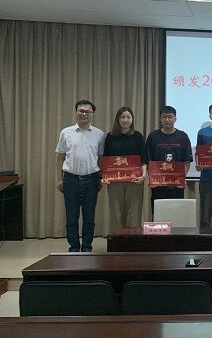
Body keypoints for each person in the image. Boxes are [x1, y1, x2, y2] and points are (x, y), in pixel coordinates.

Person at [55, 100, 104, 252]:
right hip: (70, 180)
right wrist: (59, 178)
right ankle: (74, 248)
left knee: (89, 217)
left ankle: (87, 247)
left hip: (92, 180)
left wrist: (101, 177)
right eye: (81, 111)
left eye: (87, 112)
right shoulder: (66, 132)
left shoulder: (99, 134)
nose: (84, 114)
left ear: (92, 114)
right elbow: (60, 157)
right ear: (76, 112)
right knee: (71, 217)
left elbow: (101, 158)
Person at [102, 107, 147, 232]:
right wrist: (104, 177)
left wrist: (143, 176)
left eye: (128, 117)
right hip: (114, 181)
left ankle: (132, 240)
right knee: (116, 212)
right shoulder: (110, 136)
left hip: (134, 180)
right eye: (122, 117)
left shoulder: (138, 136)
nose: (125, 120)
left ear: (132, 120)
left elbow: (143, 160)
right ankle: (118, 240)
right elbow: (106, 159)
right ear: (118, 119)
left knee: (134, 212)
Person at [145, 105, 192, 215]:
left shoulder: (183, 136)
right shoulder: (153, 136)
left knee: (176, 214)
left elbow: (186, 161)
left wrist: (182, 178)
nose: (167, 120)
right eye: (164, 117)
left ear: (175, 119)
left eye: (170, 117)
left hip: (176, 186)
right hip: (158, 185)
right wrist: (150, 178)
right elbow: (148, 161)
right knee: (158, 215)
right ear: (160, 118)